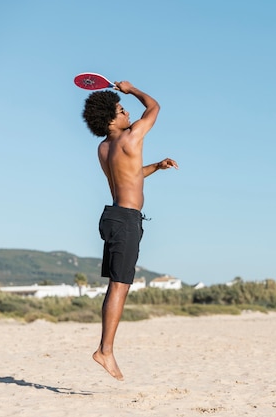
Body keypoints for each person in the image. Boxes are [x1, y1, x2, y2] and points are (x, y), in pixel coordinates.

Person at [82, 80, 178, 380]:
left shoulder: (103, 147)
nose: (127, 114)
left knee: (116, 284)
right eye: (122, 110)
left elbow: (129, 174)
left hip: (112, 216)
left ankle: (105, 349)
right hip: (125, 220)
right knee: (119, 286)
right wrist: (132, 89)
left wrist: (156, 167)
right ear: (112, 119)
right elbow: (154, 107)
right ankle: (105, 351)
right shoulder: (132, 136)